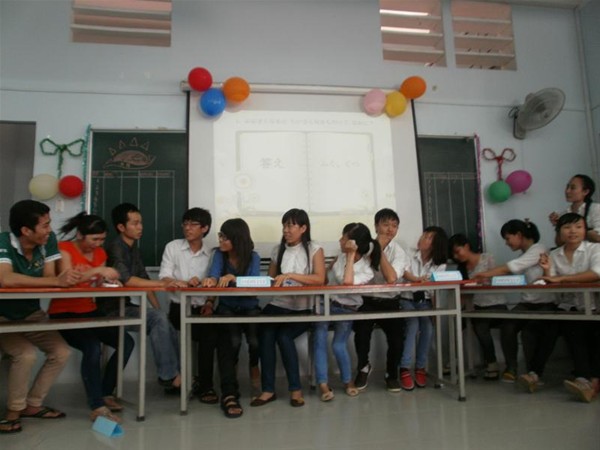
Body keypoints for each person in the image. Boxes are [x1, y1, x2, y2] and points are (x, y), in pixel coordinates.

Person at [0, 200, 79, 434]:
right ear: (26, 230)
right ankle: (13, 412)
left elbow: (49, 278)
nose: (49, 230)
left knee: (61, 352)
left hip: (31, 314)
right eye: (44, 225)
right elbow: (5, 279)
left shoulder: (48, 241)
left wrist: (66, 278)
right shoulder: (3, 241)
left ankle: (32, 405)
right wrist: (56, 281)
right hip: (2, 317)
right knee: (25, 354)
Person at [48, 212, 133, 422]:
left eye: (102, 239)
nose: (98, 244)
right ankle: (97, 406)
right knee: (92, 347)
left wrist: (110, 282)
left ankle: (105, 393)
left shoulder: (100, 254)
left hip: (89, 311)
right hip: (64, 313)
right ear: (80, 235)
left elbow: (95, 283)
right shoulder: (64, 249)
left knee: (126, 342)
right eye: (94, 239)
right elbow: (68, 279)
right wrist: (99, 270)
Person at [103, 203, 182, 394]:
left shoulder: (134, 249)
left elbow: (145, 282)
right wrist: (163, 284)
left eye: (141, 223)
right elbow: (128, 280)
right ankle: (169, 376)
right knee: (159, 318)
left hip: (125, 306)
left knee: (164, 320)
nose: (140, 227)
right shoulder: (115, 248)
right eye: (135, 223)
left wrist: (158, 309)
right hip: (110, 310)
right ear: (121, 227)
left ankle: (175, 375)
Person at [251, 208, 326, 408]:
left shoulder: (315, 248)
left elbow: (320, 278)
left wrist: (291, 275)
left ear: (303, 228)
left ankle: (296, 389)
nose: (286, 230)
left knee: (284, 336)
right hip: (278, 304)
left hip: (304, 308)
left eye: (291, 225)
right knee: (265, 334)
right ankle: (268, 390)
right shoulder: (278, 250)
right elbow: (271, 280)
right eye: (284, 225)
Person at [474, 219, 556, 390]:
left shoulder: (538, 249)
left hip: (545, 303)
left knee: (529, 331)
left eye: (507, 238)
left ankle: (533, 373)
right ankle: (511, 368)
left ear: (519, 235)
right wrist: (489, 278)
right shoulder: (524, 255)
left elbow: (510, 268)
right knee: (508, 325)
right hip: (527, 303)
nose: (507, 243)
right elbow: (512, 274)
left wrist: (484, 274)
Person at [201, 218, 261, 418]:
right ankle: (230, 385)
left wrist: (235, 279)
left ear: (237, 239)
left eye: (225, 237)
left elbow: (255, 282)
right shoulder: (219, 255)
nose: (220, 240)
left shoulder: (253, 257)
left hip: (249, 306)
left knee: (255, 340)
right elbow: (214, 275)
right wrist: (211, 282)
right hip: (227, 307)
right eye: (220, 236)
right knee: (232, 341)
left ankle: (254, 370)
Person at [314, 223, 379, 402]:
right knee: (319, 340)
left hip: (347, 308)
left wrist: (350, 255)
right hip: (326, 303)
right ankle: (323, 383)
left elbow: (347, 282)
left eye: (344, 238)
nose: (340, 240)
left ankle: (347, 381)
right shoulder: (340, 258)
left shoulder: (367, 269)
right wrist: (345, 257)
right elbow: (332, 278)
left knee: (338, 345)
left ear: (354, 243)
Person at [158, 207, 217, 403]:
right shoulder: (173, 247)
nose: (187, 228)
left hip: (202, 307)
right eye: (185, 224)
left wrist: (209, 300)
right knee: (177, 329)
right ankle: (181, 379)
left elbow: (215, 282)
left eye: (193, 224)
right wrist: (181, 282)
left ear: (205, 228)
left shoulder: (212, 252)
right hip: (178, 306)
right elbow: (164, 277)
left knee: (209, 334)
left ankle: (205, 386)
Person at [540, 212, 600, 402]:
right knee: (572, 328)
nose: (573, 231)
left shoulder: (595, 249)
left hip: (596, 306)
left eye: (578, 227)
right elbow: (552, 281)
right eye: (567, 227)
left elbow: (596, 273)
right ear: (559, 232)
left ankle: (591, 382)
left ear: (585, 230)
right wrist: (546, 270)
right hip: (571, 307)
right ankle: (584, 380)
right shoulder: (554, 254)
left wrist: (562, 278)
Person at [353, 208, 408, 392]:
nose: (390, 229)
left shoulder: (399, 252)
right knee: (361, 334)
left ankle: (391, 375)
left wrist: (380, 251)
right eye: (385, 224)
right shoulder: (364, 247)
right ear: (376, 226)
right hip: (367, 301)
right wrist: (374, 247)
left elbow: (391, 278)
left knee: (397, 339)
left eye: (394, 226)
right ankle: (363, 368)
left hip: (391, 301)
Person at [449, 233, 506, 380]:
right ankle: (455, 361)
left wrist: (482, 280)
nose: (456, 256)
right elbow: (465, 294)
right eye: (453, 254)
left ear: (467, 246)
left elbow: (496, 279)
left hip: (495, 304)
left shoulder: (487, 258)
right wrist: (457, 309)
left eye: (457, 251)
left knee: (481, 326)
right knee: (455, 322)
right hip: (476, 306)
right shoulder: (461, 269)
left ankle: (492, 363)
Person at [398, 226, 448, 391]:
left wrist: (435, 312)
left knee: (428, 326)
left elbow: (434, 290)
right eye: (424, 235)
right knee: (412, 324)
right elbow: (403, 273)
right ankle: (404, 368)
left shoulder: (440, 264)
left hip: (424, 301)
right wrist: (418, 280)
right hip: (406, 299)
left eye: (428, 237)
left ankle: (420, 367)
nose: (422, 238)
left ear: (435, 244)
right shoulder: (408, 253)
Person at [549, 174, 600, 243]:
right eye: (567, 187)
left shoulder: (596, 209)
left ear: (585, 192)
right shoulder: (564, 213)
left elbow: (597, 237)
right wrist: (558, 226)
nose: (567, 191)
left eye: (573, 188)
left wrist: (571, 232)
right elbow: (560, 244)